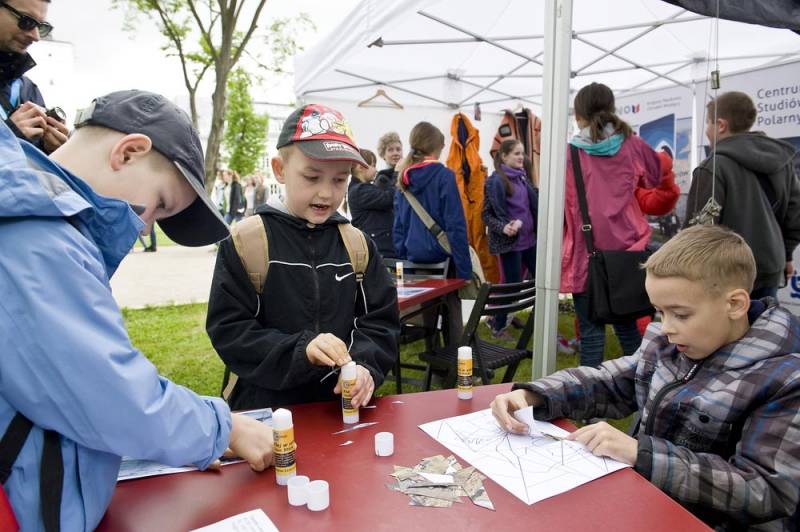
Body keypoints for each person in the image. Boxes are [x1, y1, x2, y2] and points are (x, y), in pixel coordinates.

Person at [0, 90, 274, 531]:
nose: (146, 228)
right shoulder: (37, 237)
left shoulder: (33, 217)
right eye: (160, 204)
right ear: (128, 152)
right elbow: (110, 394)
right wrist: (223, 428)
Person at [491, 225, 800, 531]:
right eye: (659, 312)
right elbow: (610, 382)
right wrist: (536, 394)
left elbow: (764, 489)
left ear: (735, 304)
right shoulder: (668, 345)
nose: (666, 327)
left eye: (681, 314)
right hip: (648, 503)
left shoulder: (783, 380)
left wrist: (642, 454)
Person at [206, 103, 400, 410]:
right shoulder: (246, 242)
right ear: (279, 169)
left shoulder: (358, 245)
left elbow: (380, 322)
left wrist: (365, 366)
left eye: (339, 180)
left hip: (341, 409)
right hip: (267, 411)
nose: (326, 193)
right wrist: (301, 350)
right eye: (312, 177)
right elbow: (230, 329)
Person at [563, 82, 661, 368]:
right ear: (612, 108)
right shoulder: (633, 143)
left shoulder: (570, 153)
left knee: (591, 335)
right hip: (626, 252)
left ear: (578, 115)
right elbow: (655, 177)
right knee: (627, 328)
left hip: (585, 254)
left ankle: (588, 392)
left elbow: (563, 206)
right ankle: (641, 383)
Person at [684, 90, 800, 300]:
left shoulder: (713, 167)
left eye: (708, 123)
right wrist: (787, 254)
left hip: (726, 274)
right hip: (770, 268)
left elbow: (699, 231)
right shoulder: (782, 161)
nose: (707, 131)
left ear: (721, 125)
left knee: (728, 324)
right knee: (764, 322)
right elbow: (795, 218)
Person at [393, 121, 472, 281]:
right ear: (438, 147)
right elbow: (455, 225)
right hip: (444, 262)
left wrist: (405, 266)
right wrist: (464, 272)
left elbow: (398, 229)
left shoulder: (403, 179)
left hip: (413, 264)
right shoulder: (444, 176)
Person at [482, 139, 538, 337]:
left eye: (522, 153)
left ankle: (540, 324)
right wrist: (504, 227)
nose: (521, 157)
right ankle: (497, 325)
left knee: (540, 281)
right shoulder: (495, 181)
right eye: (516, 153)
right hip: (510, 244)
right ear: (504, 156)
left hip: (529, 241)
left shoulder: (522, 177)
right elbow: (486, 215)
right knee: (511, 286)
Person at [0, 0, 68, 153]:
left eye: (41, 27)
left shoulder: (27, 89)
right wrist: (10, 137)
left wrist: (51, 151)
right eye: (26, 21)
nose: (36, 36)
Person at [348, 148, 397, 258]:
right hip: (380, 251)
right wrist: (397, 174)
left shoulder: (361, 189)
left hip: (381, 249)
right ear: (361, 167)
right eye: (373, 165)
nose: (376, 170)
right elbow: (388, 198)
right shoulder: (359, 190)